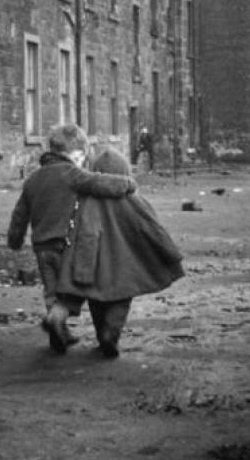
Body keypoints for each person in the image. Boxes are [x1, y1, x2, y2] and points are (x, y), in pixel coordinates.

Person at [7, 124, 137, 353]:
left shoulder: (33, 180)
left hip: (41, 248)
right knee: (71, 292)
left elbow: (19, 215)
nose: (82, 160)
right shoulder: (71, 174)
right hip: (66, 244)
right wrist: (127, 184)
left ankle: (58, 334)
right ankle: (60, 321)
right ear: (73, 153)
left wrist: (15, 240)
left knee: (52, 291)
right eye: (81, 155)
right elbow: (99, 183)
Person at [57, 147, 184, 358]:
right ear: (125, 171)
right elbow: (153, 228)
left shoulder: (88, 199)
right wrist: (170, 253)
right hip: (127, 263)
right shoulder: (133, 199)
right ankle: (111, 334)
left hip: (97, 264)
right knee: (121, 301)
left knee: (96, 300)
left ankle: (101, 335)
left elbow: (79, 230)